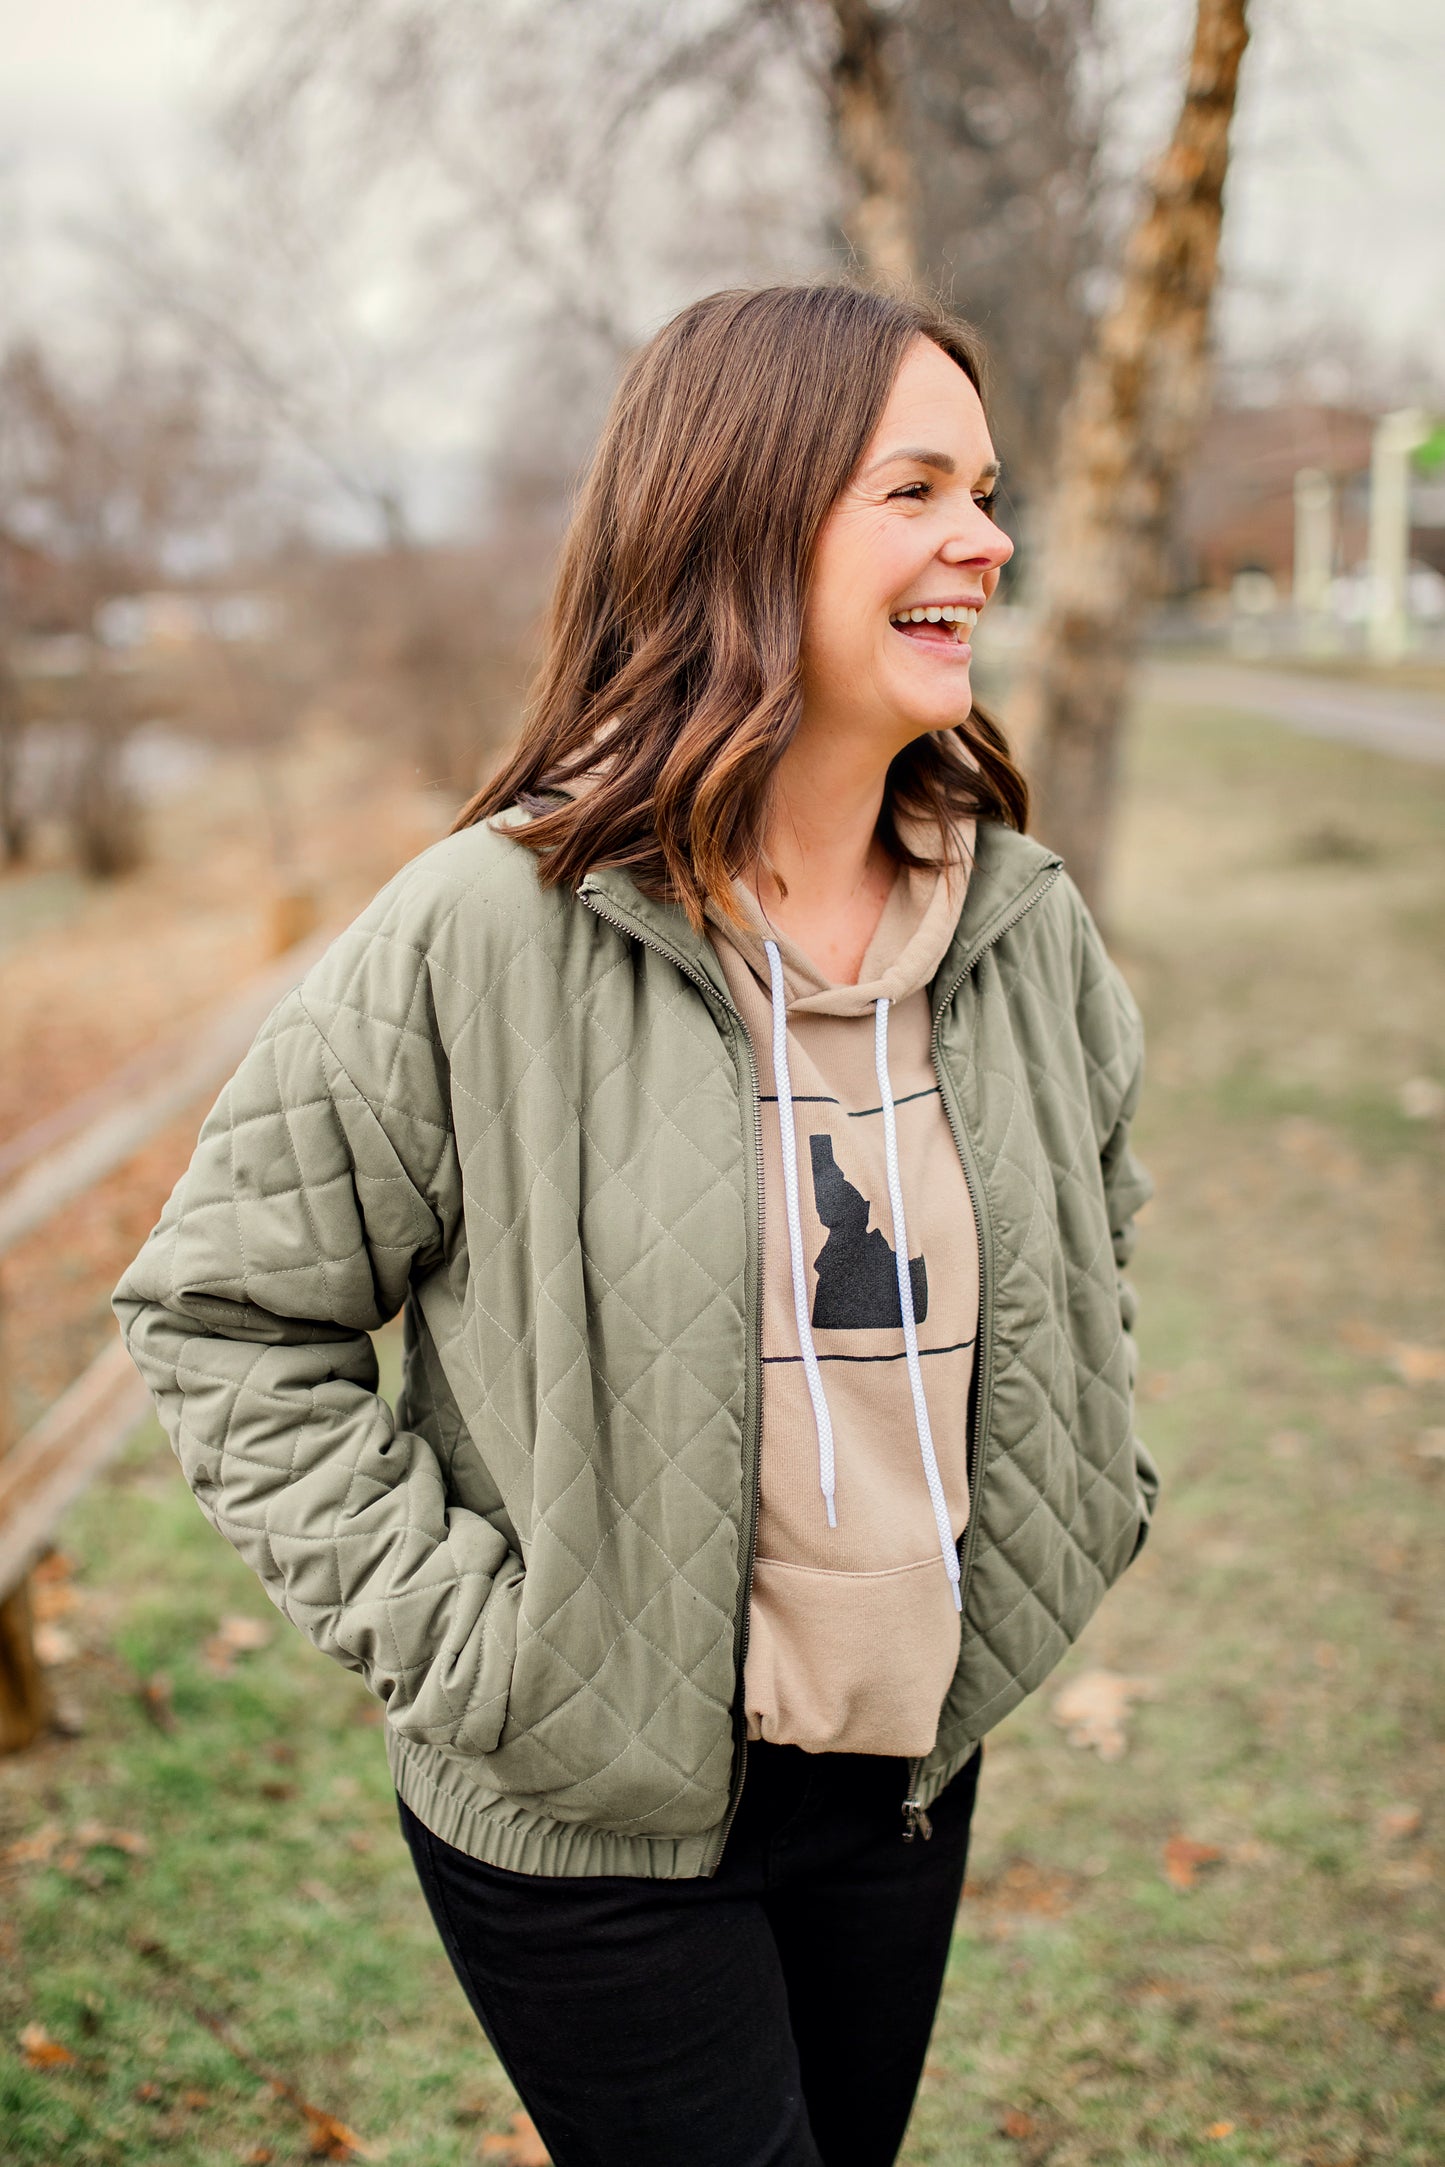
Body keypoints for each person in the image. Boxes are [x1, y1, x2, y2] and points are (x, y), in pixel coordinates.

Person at [115, 282, 1158, 2167]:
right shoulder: (484, 930)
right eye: (914, 490)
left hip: (909, 1766)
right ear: (738, 526)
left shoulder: (1024, 927)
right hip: (589, 1816)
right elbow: (221, 1312)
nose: (984, 540)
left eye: (984, 489)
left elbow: (1098, 1234)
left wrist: (1086, 1497)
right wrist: (480, 1651)